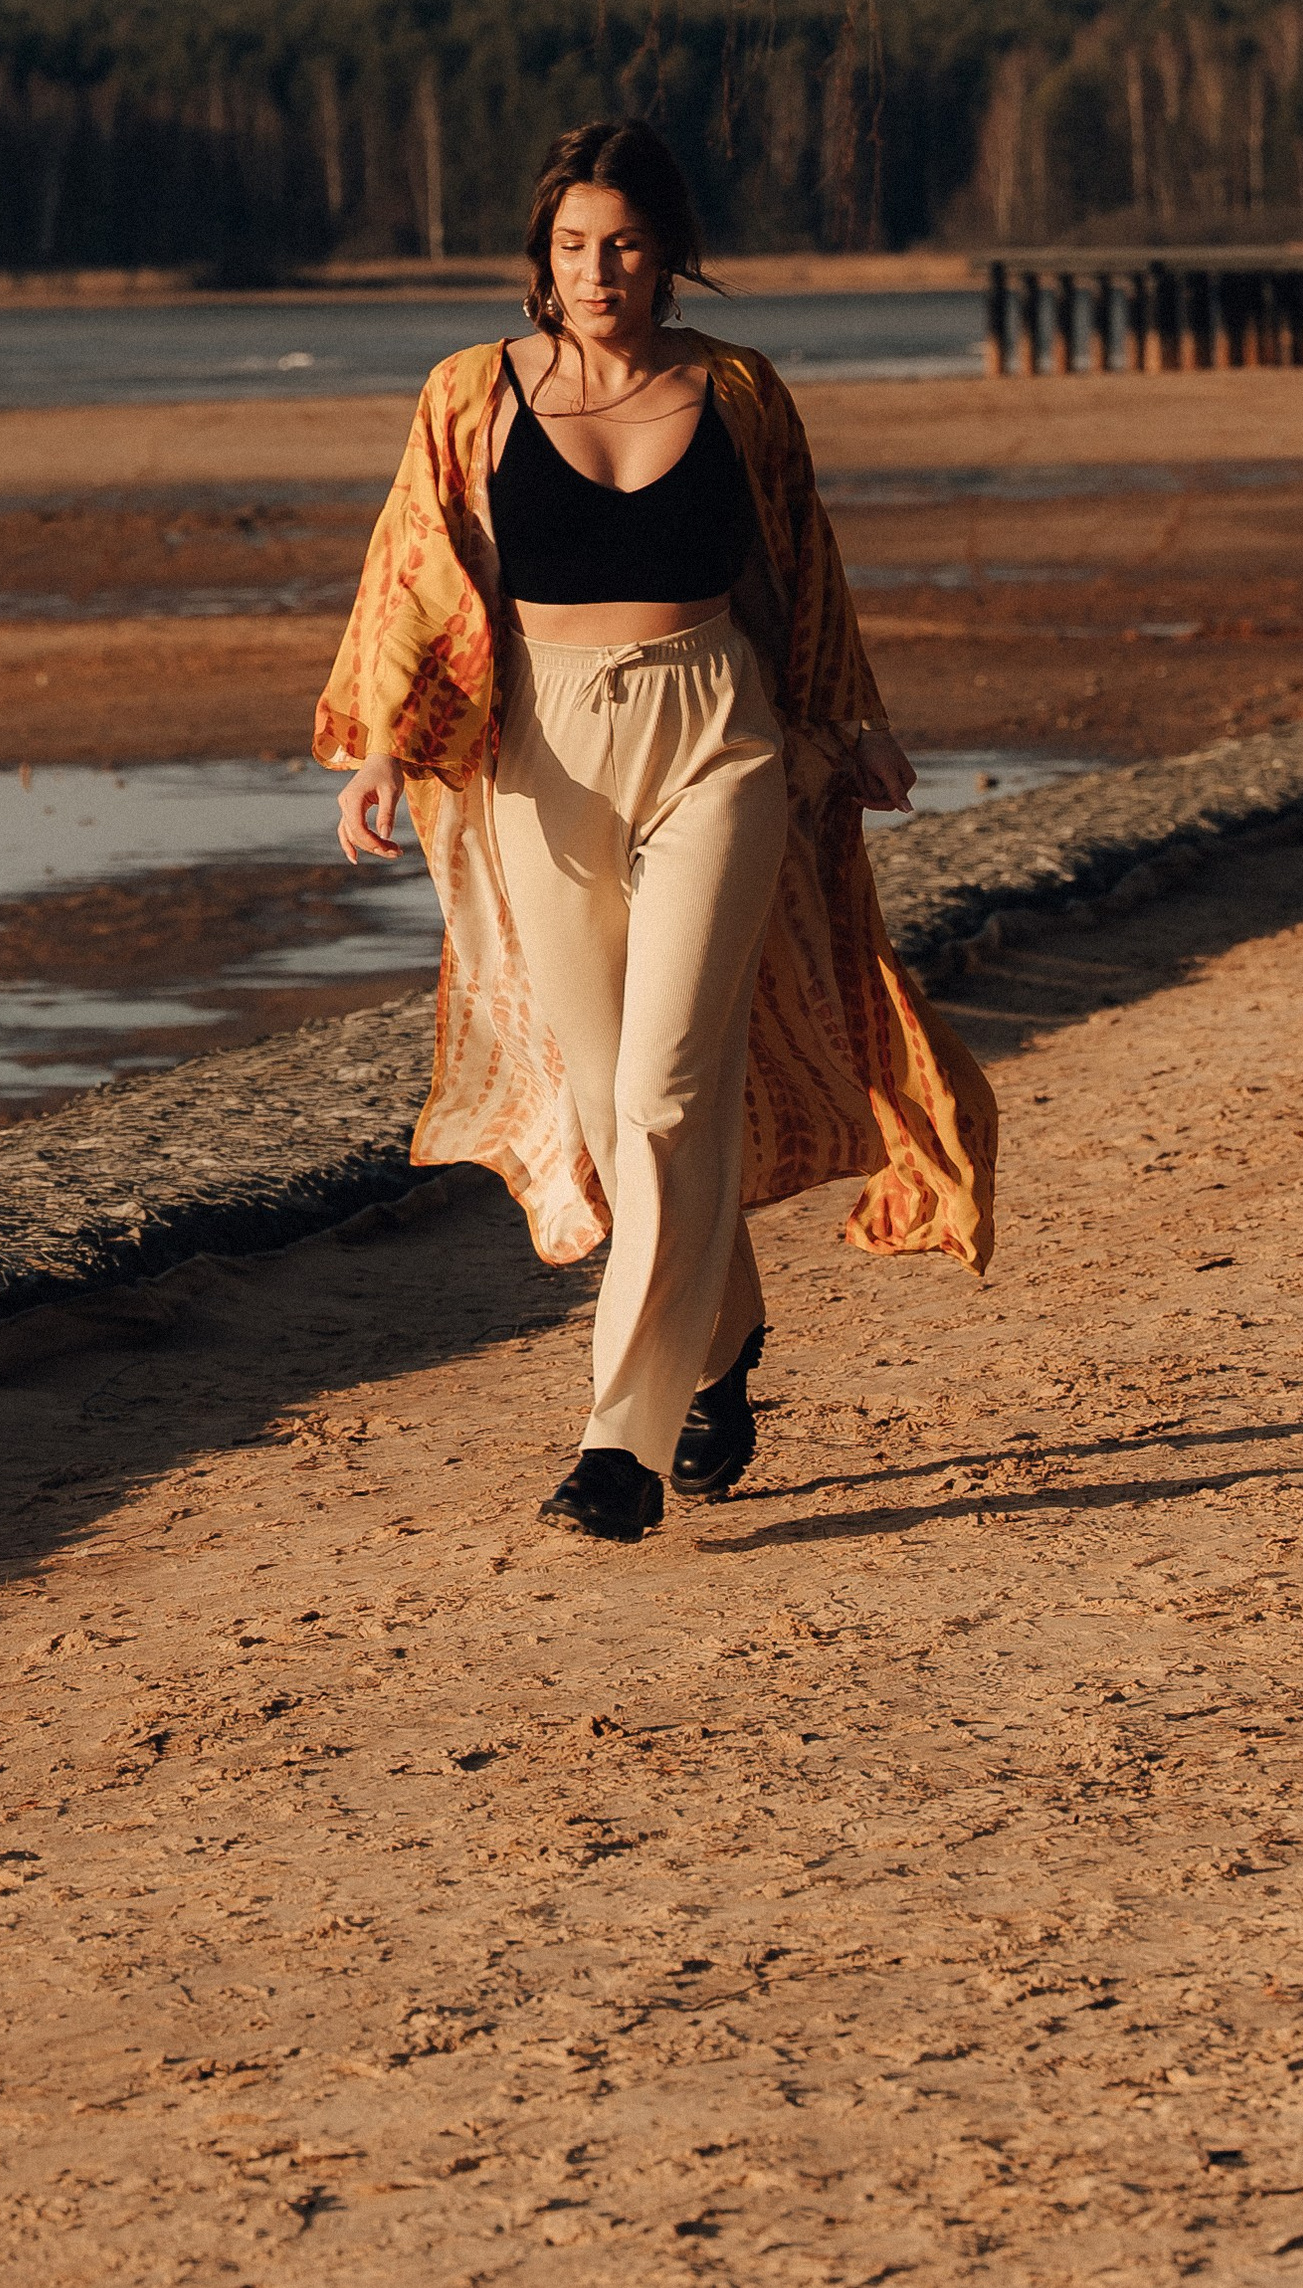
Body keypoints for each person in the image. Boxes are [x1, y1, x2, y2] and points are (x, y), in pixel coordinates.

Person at [319, 118, 996, 1543]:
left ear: (667, 251)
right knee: (606, 1099)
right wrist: (381, 744)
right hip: (545, 751)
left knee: (672, 1092)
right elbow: (417, 571)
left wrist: (850, 715)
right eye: (572, 245)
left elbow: (801, 562)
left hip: (717, 735)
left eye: (623, 244)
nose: (597, 271)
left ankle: (617, 1443)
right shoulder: (473, 392)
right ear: (542, 255)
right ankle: (725, 1336)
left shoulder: (736, 389)